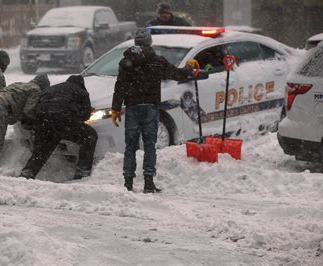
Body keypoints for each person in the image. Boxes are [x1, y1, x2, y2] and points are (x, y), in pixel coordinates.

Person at [111, 28, 198, 193]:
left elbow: (120, 86)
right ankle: (148, 183)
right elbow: (177, 74)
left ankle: (128, 183)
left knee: (130, 147)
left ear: (135, 42)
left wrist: (116, 108)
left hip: (132, 108)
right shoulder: (157, 61)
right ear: (150, 43)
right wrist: (188, 67)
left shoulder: (126, 62)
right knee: (150, 146)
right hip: (150, 108)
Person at [20, 75, 97, 180]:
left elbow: (38, 106)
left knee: (42, 150)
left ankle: (27, 173)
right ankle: (82, 172)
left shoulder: (50, 89)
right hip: (64, 121)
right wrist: (77, 114)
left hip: (43, 121)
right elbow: (85, 115)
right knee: (90, 135)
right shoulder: (81, 92)